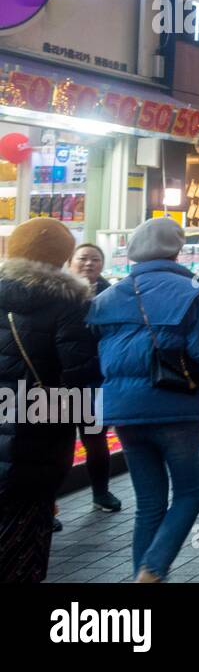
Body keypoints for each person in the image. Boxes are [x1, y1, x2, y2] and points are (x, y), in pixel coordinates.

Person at [88, 217, 199, 581]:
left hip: (125, 414)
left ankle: (144, 579)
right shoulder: (189, 292)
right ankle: (153, 569)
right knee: (189, 492)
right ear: (176, 249)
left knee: (149, 504)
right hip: (175, 409)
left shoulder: (106, 298)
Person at [0, 219, 99, 583]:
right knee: (26, 530)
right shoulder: (69, 303)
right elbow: (80, 374)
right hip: (40, 428)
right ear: (63, 256)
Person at [68, 244, 121, 512]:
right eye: (83, 258)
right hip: (61, 382)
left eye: (95, 259)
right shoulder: (59, 293)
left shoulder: (111, 295)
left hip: (95, 380)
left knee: (95, 439)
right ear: (70, 262)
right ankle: (49, 506)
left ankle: (101, 492)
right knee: (59, 446)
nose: (89, 263)